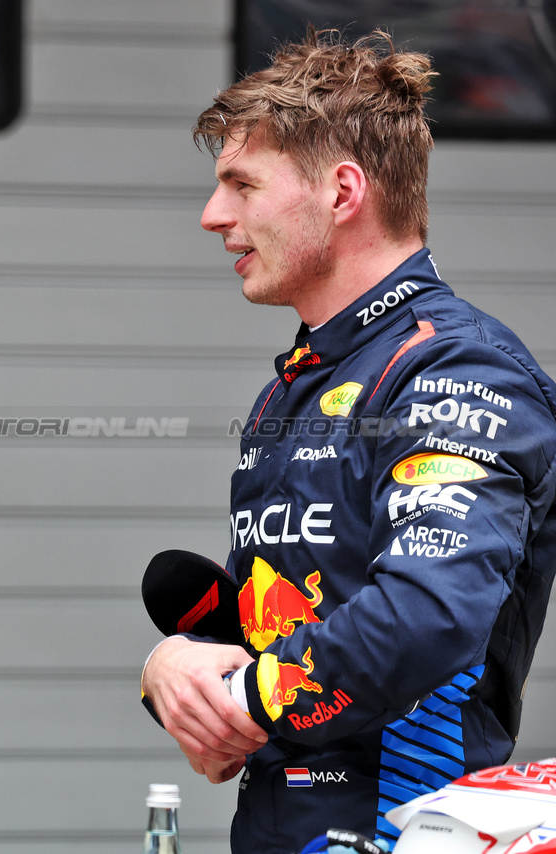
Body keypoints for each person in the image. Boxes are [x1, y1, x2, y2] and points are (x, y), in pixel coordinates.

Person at [140, 28, 556, 854]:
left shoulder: (455, 368)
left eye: (241, 184)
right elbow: (290, 619)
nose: (212, 214)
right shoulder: (295, 386)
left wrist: (245, 700)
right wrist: (179, 667)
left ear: (341, 192)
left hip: (405, 830)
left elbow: (426, 613)